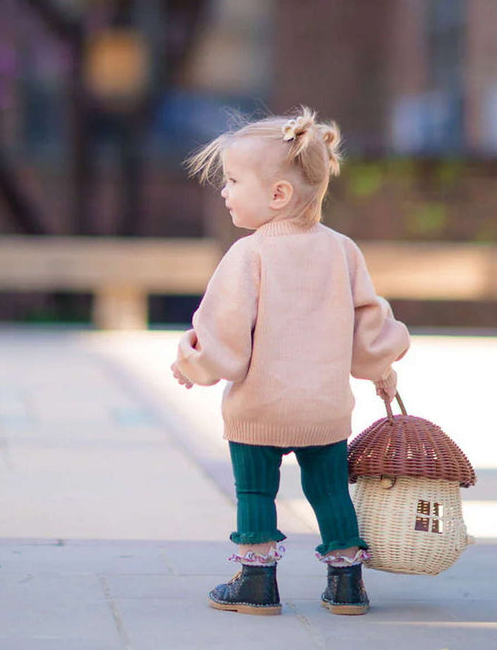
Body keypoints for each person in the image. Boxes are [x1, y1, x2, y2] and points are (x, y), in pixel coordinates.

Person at [171, 106, 410, 617]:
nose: (224, 190)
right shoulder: (343, 251)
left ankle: (257, 583)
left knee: (256, 491)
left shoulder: (248, 255)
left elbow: (223, 335)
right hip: (324, 410)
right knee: (330, 495)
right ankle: (347, 584)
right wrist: (380, 368)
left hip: (258, 409)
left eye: (233, 180)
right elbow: (367, 323)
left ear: (278, 195)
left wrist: (195, 366)